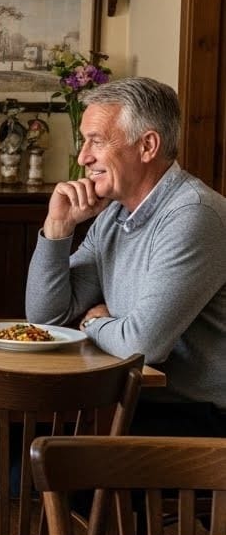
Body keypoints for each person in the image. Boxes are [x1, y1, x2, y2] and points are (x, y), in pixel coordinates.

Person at [27, 76, 226, 437]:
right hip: (134, 400)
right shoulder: (114, 216)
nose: (83, 157)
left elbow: (141, 345)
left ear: (148, 145)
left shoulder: (193, 215)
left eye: (96, 141)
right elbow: (47, 315)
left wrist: (92, 325)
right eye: (84, 141)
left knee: (34, 448)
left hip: (198, 418)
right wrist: (58, 229)